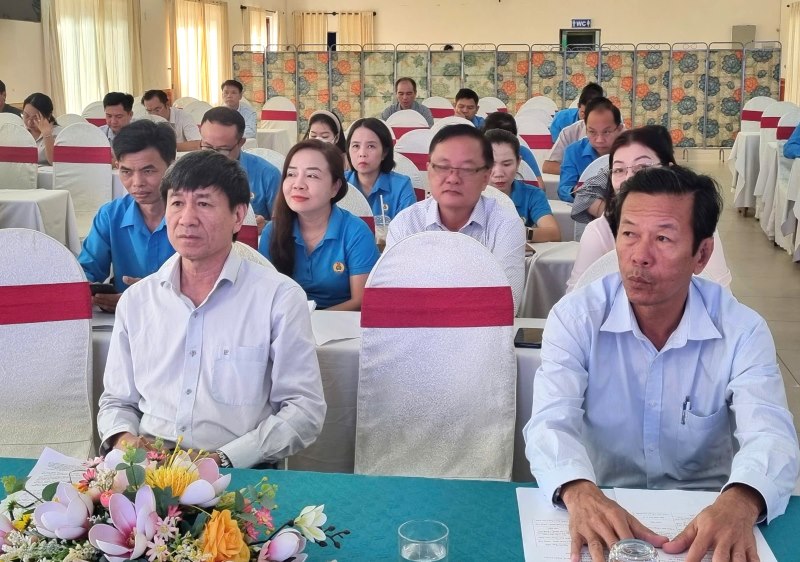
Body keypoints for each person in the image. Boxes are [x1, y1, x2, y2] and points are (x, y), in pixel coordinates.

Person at [524, 165, 799, 562]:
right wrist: (578, 490)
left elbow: (772, 434)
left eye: (664, 238)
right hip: (602, 502)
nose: (640, 256)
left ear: (701, 254)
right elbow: (550, 422)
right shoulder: (576, 317)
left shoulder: (742, 330)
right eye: (629, 234)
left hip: (706, 515)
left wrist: (742, 500)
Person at [97, 150, 326, 469]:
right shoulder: (138, 300)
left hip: (237, 471)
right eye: (177, 203)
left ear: (237, 216)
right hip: (146, 468)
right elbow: (117, 402)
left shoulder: (279, 298)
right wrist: (125, 441)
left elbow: (304, 410)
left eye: (203, 203)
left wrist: (221, 460)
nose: (186, 218)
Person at [566, 127, 732, 292]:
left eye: (643, 167)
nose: (629, 179)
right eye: (619, 170)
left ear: (669, 169)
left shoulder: (697, 225)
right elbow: (575, 298)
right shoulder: (599, 232)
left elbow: (721, 296)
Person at [387, 124, 526, 311]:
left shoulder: (505, 225)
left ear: (486, 177)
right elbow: (391, 299)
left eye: (467, 169)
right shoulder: (407, 224)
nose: (452, 178)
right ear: (429, 170)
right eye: (443, 167)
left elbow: (506, 304)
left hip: (483, 336)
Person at [259, 140, 379, 310]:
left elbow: (361, 301)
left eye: (312, 176)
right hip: (285, 326)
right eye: (291, 174)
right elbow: (264, 296)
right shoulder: (272, 232)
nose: (298, 184)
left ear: (335, 187)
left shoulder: (356, 232)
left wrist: (309, 321)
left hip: (340, 330)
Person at [78, 120, 177, 312]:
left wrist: (148, 297)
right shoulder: (110, 216)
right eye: (126, 172)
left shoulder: (194, 216)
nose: (137, 183)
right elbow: (85, 272)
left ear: (171, 166)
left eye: (148, 171)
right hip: (123, 319)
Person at [200, 106, 281, 231]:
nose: (213, 156)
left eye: (223, 150)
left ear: (241, 142)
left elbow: (283, 225)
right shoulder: (188, 172)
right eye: (207, 147)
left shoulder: (267, 175)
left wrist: (265, 225)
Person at [485, 129, 560, 242]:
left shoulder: (532, 194)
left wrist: (519, 233)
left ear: (518, 162)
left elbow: (554, 233)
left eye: (507, 164)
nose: (499, 173)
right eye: (490, 164)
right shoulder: (469, 195)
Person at [345, 117, 416, 219]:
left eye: (371, 146)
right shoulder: (339, 184)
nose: (362, 154)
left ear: (384, 152)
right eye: (356, 146)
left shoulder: (401, 186)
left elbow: (407, 230)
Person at [557, 97, 622, 203]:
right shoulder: (573, 152)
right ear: (585, 128)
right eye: (592, 132)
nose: (599, 140)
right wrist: (578, 192)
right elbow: (564, 189)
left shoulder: (630, 151)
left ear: (619, 129)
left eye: (606, 132)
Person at [542, 82, 604, 175]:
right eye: (583, 113)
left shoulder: (614, 129)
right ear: (578, 106)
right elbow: (549, 165)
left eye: (592, 114)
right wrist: (580, 172)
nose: (586, 118)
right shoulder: (567, 128)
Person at [483, 111, 544, 188]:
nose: (499, 173)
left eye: (507, 164)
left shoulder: (523, 152)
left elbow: (540, 186)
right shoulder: (475, 153)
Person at [21, 93, 61, 165]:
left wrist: (46, 134)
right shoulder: (20, 132)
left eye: (35, 118)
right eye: (26, 115)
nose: (29, 122)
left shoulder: (59, 134)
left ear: (48, 116)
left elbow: (54, 162)